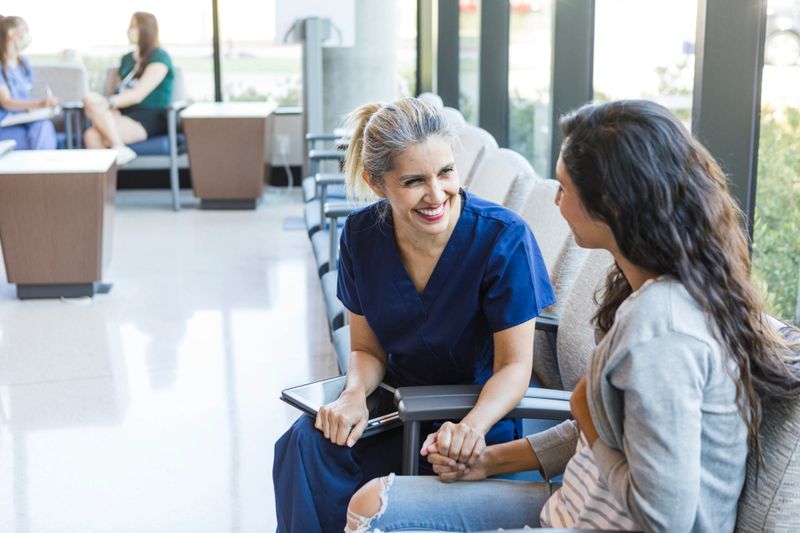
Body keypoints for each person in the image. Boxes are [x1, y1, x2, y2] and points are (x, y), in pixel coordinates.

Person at [346, 99, 800, 533]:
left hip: (598, 522)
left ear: (614, 206)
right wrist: (490, 461)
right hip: (574, 505)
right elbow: (606, 436)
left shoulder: (662, 331)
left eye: (564, 188)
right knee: (369, 503)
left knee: (373, 510)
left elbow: (667, 519)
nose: (556, 201)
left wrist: (588, 422)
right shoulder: (648, 295)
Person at [273, 97, 556, 533]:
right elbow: (367, 348)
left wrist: (471, 426)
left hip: (475, 422)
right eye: (414, 181)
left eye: (446, 172)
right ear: (376, 182)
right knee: (304, 444)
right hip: (396, 414)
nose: (437, 194)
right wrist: (352, 396)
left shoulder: (503, 238)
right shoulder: (361, 236)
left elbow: (515, 366)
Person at [82, 11, 174, 165]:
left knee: (92, 136)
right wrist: (110, 108)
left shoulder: (160, 57)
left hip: (148, 116)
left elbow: (138, 94)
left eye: (134, 27)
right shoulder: (126, 59)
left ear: (146, 29)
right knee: (89, 100)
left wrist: (108, 103)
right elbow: (116, 91)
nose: (130, 31)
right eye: (130, 27)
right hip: (121, 112)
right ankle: (118, 151)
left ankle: (117, 151)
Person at [0, 15, 58, 150]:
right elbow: (7, 102)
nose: (27, 36)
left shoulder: (23, 63)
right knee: (42, 130)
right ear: (11, 33)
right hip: (6, 123)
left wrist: (38, 107)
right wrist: (40, 103)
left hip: (24, 119)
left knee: (43, 127)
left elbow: (25, 93)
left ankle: (44, 169)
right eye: (25, 31)